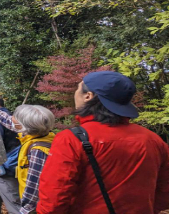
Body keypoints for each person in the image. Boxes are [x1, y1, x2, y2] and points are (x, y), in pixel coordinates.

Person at [37, 71, 169, 213]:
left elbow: (53, 201)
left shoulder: (70, 140)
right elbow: (165, 191)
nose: (75, 92)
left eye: (78, 88)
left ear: (88, 96)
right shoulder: (153, 139)